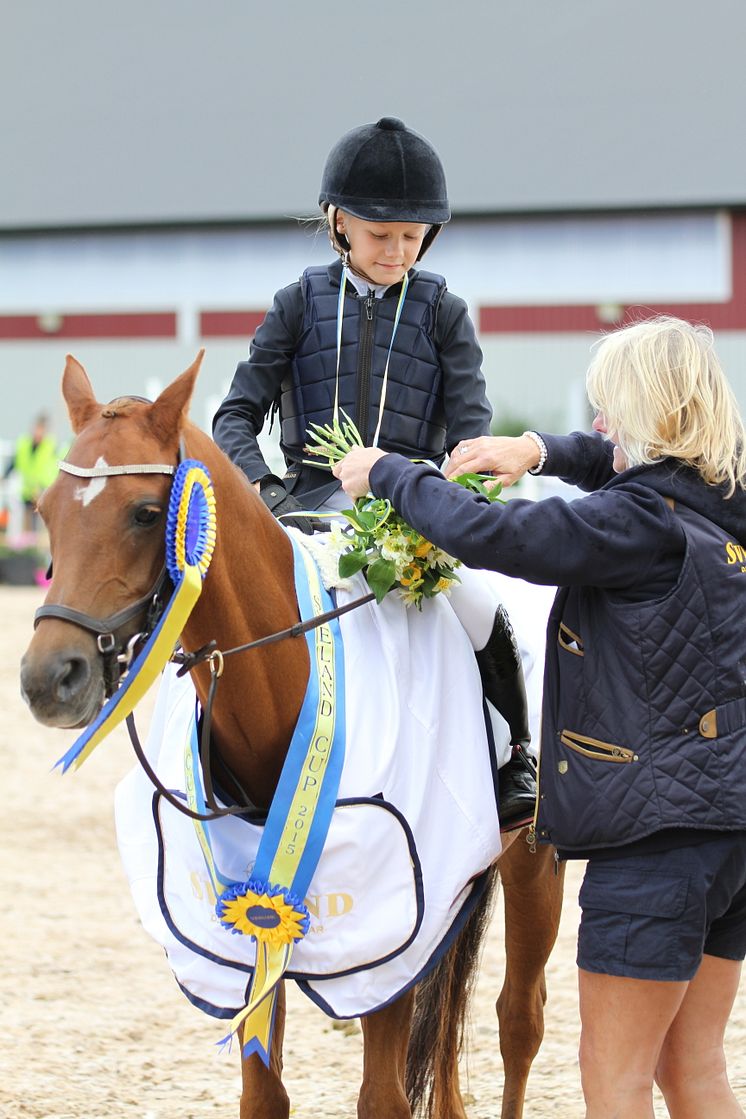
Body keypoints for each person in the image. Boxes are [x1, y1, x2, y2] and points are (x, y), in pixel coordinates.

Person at [332, 315, 746, 1119]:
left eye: (611, 410)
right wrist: (540, 451)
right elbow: (627, 466)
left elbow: (492, 532)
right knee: (693, 1066)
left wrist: (389, 473)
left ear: (652, 414)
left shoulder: (634, 524)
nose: (599, 425)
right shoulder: (723, 504)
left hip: (653, 843)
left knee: (617, 1080)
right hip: (731, 833)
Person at [212, 116, 538, 831]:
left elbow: (472, 435)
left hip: (410, 517)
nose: (395, 251)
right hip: (300, 516)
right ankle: (212, 751)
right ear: (339, 225)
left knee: (487, 611)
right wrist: (267, 494)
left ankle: (517, 755)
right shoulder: (297, 304)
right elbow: (233, 416)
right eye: (379, 235)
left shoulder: (445, 315)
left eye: (410, 238)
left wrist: (448, 488)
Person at [4, 413, 60, 535]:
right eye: (37, 429)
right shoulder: (23, 444)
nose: (38, 433)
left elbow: (55, 468)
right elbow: (14, 462)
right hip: (26, 490)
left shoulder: (50, 446)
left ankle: (38, 546)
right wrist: (4, 477)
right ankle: (25, 546)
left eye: (41, 429)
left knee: (39, 523)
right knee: (24, 523)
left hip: (43, 490)